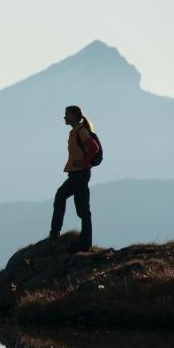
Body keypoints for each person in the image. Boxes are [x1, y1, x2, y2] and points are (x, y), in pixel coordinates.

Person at [50, 105, 98, 253]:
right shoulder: (74, 132)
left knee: (82, 209)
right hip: (75, 174)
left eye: (66, 114)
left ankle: (85, 243)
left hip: (80, 174)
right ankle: (55, 233)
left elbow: (94, 148)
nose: (64, 117)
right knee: (62, 197)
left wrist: (84, 163)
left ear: (74, 116)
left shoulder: (81, 132)